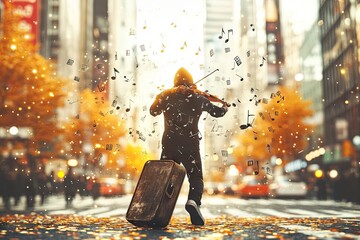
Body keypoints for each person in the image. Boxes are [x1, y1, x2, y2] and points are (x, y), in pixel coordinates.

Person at [150, 67, 228, 225]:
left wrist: (163, 96)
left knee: (166, 177)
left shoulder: (166, 95)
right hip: (190, 144)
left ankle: (157, 208)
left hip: (169, 143)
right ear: (191, 82)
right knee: (195, 177)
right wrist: (224, 105)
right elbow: (217, 112)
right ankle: (193, 201)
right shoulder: (198, 97)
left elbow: (153, 111)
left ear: (175, 82)